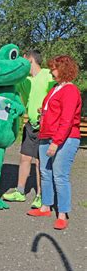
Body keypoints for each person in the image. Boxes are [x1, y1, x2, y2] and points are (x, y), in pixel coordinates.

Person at [27, 55, 81, 230]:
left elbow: (66, 119)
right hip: (46, 135)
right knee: (45, 172)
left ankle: (63, 213)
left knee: (60, 175)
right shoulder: (56, 88)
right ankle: (45, 206)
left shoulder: (70, 90)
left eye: (55, 68)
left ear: (64, 69)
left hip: (64, 138)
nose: (51, 71)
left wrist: (56, 142)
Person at [3, 50, 54, 208]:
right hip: (31, 124)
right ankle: (20, 191)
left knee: (40, 162)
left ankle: (40, 195)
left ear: (30, 60)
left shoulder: (48, 75)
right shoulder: (24, 80)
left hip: (45, 126)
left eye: (23, 60)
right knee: (25, 158)